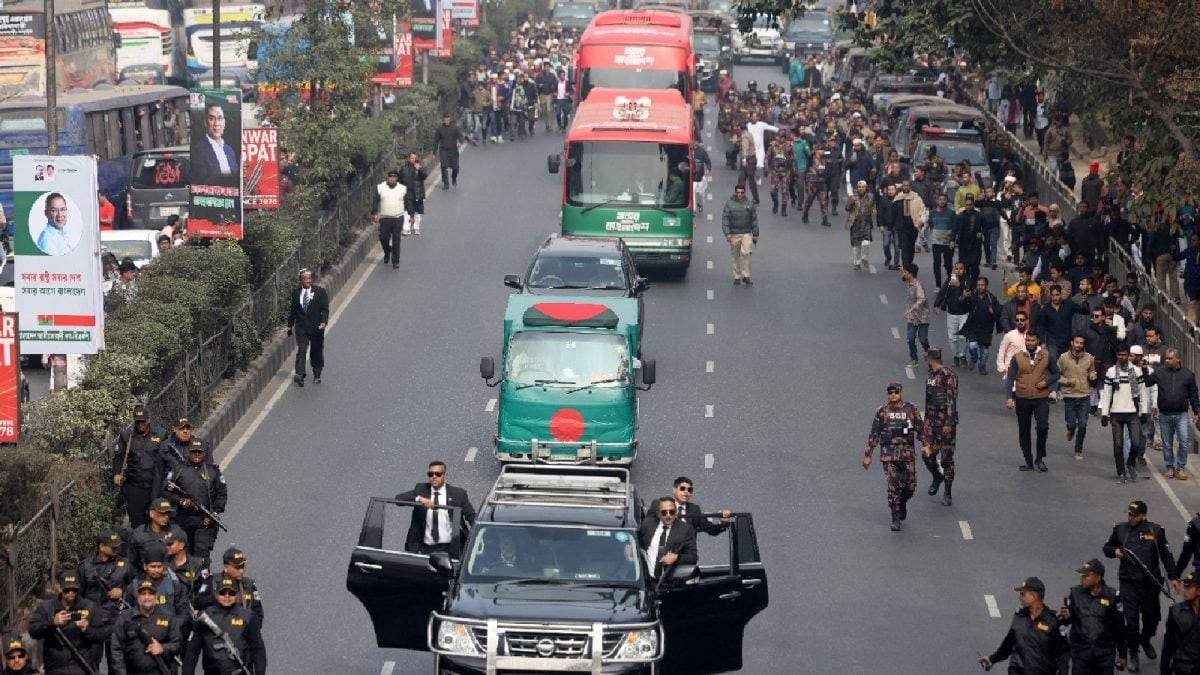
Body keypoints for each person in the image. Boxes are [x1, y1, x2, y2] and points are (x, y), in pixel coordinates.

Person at [1103, 500, 1178, 672]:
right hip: (1128, 582)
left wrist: (1174, 577)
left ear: (1144, 516)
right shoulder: (1120, 529)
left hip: (1150, 583)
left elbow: (1166, 555)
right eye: (1129, 514)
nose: (1131, 518)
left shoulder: (1157, 531)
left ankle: (1145, 639)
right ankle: (1134, 653)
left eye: (1135, 515)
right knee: (1131, 620)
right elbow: (1107, 548)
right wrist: (1115, 552)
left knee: (1152, 619)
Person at [863, 382, 925, 531]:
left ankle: (902, 502)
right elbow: (874, 434)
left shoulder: (911, 410)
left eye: (896, 392)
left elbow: (921, 430)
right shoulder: (882, 412)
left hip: (907, 454)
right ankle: (895, 517)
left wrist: (926, 445)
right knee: (893, 486)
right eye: (890, 392)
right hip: (889, 456)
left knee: (910, 486)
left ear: (901, 392)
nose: (893, 395)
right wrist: (868, 455)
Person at [161, 426, 227, 563]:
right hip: (182, 519)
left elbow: (222, 494)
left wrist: (214, 513)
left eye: (199, 452)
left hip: (205, 521)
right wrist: (180, 501)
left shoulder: (213, 471)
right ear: (188, 453)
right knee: (181, 554)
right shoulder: (178, 470)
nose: (197, 454)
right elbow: (165, 490)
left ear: (204, 453)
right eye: (194, 452)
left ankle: (203, 582)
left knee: (201, 555)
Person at [979, 577, 1069, 673]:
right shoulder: (1019, 616)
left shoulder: (1053, 621)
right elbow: (1009, 642)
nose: (1020, 597)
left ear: (1033, 596)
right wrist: (992, 659)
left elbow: (1063, 654)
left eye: (1023, 593)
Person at [28, 571, 108, 675]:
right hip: (55, 667)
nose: (71, 592)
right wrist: (52, 623)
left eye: (74, 590)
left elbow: (102, 634)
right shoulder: (47, 607)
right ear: (60, 589)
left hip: (81, 666)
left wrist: (86, 629)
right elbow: (33, 630)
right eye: (67, 590)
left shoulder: (90, 607)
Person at [183, 578, 267, 675]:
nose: (227, 596)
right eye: (223, 592)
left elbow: (258, 649)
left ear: (237, 595)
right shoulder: (204, 617)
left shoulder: (249, 617)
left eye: (231, 593)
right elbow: (192, 652)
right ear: (216, 595)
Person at [395, 460, 477, 557]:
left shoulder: (458, 494)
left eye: (438, 474)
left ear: (445, 475)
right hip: (426, 549)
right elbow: (398, 500)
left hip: (453, 548)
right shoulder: (421, 490)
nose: (434, 477)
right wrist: (419, 499)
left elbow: (471, 516)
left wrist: (479, 536)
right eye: (430, 474)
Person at [1059, 559, 1128, 673]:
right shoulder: (1074, 594)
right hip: (1081, 653)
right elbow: (1066, 621)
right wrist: (1065, 618)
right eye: (1082, 575)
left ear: (1098, 578)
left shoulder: (1112, 597)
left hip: (1104, 654)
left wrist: (1122, 654)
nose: (1082, 578)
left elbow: (1119, 627)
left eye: (1086, 576)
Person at [1005, 330, 1059, 472]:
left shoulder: (1046, 356)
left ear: (1037, 341)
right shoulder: (1017, 356)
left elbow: (1056, 373)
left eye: (1032, 340)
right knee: (1024, 430)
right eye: (1028, 340)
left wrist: (1046, 382)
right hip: (1022, 397)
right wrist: (1009, 397)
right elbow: (1010, 377)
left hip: (1041, 397)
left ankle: (1040, 458)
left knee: (1043, 427)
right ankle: (1028, 460)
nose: (1030, 343)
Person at [110, 579, 183, 675]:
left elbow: (178, 644)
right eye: (143, 594)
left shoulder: (168, 617)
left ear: (156, 596)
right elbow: (116, 648)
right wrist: (121, 672)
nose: (147, 597)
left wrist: (163, 648)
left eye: (150, 593)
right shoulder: (125, 618)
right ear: (138, 597)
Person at [1100, 344, 1150, 483]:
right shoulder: (1111, 372)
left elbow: (1142, 393)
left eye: (1124, 355)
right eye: (1119, 355)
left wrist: (1144, 411)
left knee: (1135, 443)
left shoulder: (1137, 372)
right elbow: (1107, 394)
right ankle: (1121, 472)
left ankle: (1130, 463)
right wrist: (1105, 414)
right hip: (1116, 413)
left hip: (1132, 413)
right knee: (1118, 445)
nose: (1121, 357)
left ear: (1128, 356)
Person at [113, 405, 166, 529]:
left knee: (156, 521)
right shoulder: (127, 436)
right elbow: (119, 456)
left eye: (143, 421)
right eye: (137, 422)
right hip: (135, 486)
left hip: (155, 486)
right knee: (138, 523)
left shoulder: (160, 434)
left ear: (148, 420)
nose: (140, 424)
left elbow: (166, 458)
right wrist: (117, 473)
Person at [920, 348, 959, 506]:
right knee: (927, 454)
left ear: (931, 358)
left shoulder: (948, 375)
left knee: (946, 459)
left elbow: (952, 400)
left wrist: (949, 422)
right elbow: (928, 400)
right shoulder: (930, 375)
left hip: (945, 423)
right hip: (931, 422)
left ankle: (948, 492)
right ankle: (937, 476)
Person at [1155, 349, 1200, 480]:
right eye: (1166, 358)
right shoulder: (1159, 373)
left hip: (1182, 415)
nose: (1167, 361)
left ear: (1178, 359)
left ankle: (1180, 468)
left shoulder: (1188, 374)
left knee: (1184, 442)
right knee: (1167, 443)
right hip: (1165, 414)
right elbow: (1147, 382)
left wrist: (1196, 411)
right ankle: (1169, 467)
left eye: (1170, 358)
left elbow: (1193, 394)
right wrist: (1145, 369)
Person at [195, 548, 263, 629]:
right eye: (237, 567)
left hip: (240, 634)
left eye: (243, 566)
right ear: (226, 568)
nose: (241, 571)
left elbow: (258, 614)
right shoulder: (211, 582)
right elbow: (198, 604)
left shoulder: (249, 585)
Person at [1058, 334, 1098, 460]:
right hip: (1069, 395)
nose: (1079, 345)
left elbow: (1092, 371)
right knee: (1071, 423)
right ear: (1072, 342)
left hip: (1084, 395)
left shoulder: (1089, 358)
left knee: (1083, 424)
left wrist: (1092, 375)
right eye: (1077, 342)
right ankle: (1070, 429)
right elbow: (1055, 375)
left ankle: (1078, 450)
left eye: (1081, 343)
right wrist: (1067, 381)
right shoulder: (1063, 358)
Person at [638, 496, 698, 579]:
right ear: (658, 513)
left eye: (672, 512)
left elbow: (693, 557)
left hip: (667, 582)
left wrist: (676, 557)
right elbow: (636, 543)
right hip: (645, 580)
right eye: (664, 512)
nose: (668, 515)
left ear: (676, 512)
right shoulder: (647, 524)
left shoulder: (686, 529)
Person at [287, 268, 329, 387]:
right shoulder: (295, 293)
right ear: (300, 280)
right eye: (305, 279)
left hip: (316, 328)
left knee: (316, 352)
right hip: (302, 328)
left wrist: (324, 322)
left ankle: (317, 374)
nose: (308, 281)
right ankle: (300, 374)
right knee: (302, 350)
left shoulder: (320, 292)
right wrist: (290, 325)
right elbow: (293, 311)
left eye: (310, 279)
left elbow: (325, 310)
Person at [932, 262, 972, 366]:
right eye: (957, 269)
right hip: (951, 313)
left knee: (962, 336)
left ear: (964, 270)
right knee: (952, 337)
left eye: (961, 269)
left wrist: (960, 286)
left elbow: (969, 292)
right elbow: (942, 293)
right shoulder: (949, 281)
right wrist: (937, 305)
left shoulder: (968, 280)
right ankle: (956, 356)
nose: (958, 271)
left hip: (964, 313)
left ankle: (963, 355)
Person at [1162, 571, 1200, 675]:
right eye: (1185, 586)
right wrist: (1164, 671)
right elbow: (1168, 645)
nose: (1184, 591)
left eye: (1189, 587)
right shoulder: (1175, 612)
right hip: (1183, 667)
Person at [193, 103, 238, 186]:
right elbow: (202, 182)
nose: (216, 123)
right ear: (205, 122)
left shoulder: (230, 150)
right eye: (211, 119)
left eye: (220, 118)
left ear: (224, 122)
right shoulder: (198, 150)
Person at [721, 185, 758, 286]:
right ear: (735, 192)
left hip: (746, 233)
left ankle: (746, 276)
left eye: (742, 192)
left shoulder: (749, 204)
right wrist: (727, 233)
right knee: (735, 256)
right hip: (734, 234)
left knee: (746, 253)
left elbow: (754, 220)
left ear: (744, 193)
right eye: (738, 192)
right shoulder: (729, 204)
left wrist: (755, 234)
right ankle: (737, 276)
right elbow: (725, 219)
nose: (740, 194)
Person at [963, 276, 999, 375]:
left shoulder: (992, 298)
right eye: (978, 285)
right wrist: (963, 297)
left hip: (986, 329)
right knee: (972, 345)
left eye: (982, 285)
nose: (980, 287)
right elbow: (962, 305)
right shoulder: (971, 296)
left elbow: (999, 311)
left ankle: (982, 367)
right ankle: (973, 359)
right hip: (973, 327)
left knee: (985, 352)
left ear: (986, 286)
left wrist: (993, 311)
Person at [371, 169, 406, 267]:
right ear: (387, 177)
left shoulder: (402, 189)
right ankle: (387, 251)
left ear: (397, 178)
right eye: (390, 176)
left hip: (397, 217)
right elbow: (375, 200)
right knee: (384, 238)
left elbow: (408, 201)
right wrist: (375, 213)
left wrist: (411, 214)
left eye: (394, 176)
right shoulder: (380, 187)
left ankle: (395, 261)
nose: (392, 178)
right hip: (385, 217)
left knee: (396, 239)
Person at [126, 498, 174, 570]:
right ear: (152, 513)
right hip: (144, 576)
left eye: (168, 513)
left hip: (168, 576)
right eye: (163, 513)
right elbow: (131, 560)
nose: (166, 516)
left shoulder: (175, 533)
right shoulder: (138, 534)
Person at [901, 264, 930, 368]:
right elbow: (904, 277)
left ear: (911, 274)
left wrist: (911, 308)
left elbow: (922, 299)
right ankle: (914, 359)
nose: (904, 274)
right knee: (910, 339)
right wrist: (902, 270)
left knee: (922, 339)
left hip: (922, 316)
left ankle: (929, 352)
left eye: (905, 273)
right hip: (912, 317)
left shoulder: (918, 285)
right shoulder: (909, 282)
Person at [845, 180, 875, 270]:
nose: (861, 189)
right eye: (859, 187)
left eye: (863, 187)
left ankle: (864, 258)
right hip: (855, 224)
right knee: (856, 245)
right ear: (857, 188)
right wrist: (852, 201)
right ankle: (857, 263)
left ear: (866, 188)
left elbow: (873, 206)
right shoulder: (852, 197)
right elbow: (847, 208)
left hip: (866, 223)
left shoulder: (870, 197)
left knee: (866, 242)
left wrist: (874, 210)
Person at [399, 152, 427, 236]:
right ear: (408, 159)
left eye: (415, 158)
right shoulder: (404, 168)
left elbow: (425, 176)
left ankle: (416, 227)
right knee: (407, 210)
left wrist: (420, 169)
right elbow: (400, 180)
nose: (413, 160)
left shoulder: (421, 167)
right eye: (411, 158)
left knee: (417, 211)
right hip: (407, 192)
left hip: (418, 192)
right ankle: (406, 228)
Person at [433, 114, 463, 190]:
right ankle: (446, 184)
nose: (446, 120)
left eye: (447, 118)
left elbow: (461, 137)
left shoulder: (455, 128)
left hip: (453, 150)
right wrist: (434, 152)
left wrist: (459, 142)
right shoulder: (440, 129)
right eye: (445, 119)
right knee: (443, 166)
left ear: (450, 119)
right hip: (443, 150)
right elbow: (436, 141)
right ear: (443, 119)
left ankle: (453, 178)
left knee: (455, 168)